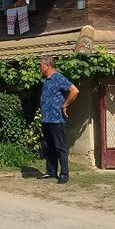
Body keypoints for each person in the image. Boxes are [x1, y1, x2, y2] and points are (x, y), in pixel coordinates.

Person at [37, 56, 79, 184]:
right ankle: (51, 171)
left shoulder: (58, 78)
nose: (39, 68)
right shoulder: (47, 80)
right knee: (49, 146)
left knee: (60, 147)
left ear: (48, 65)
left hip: (56, 119)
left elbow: (74, 90)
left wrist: (65, 105)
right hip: (47, 119)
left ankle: (64, 174)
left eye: (40, 65)